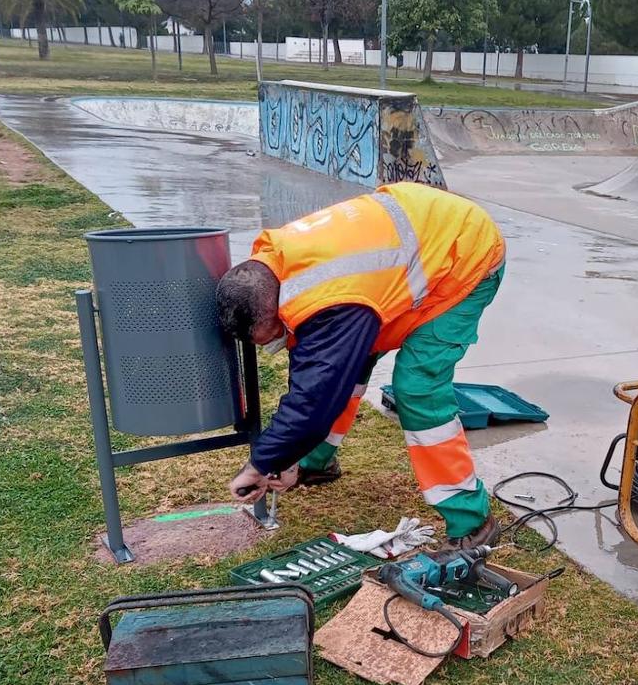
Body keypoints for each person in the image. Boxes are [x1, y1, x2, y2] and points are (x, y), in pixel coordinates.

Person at [215, 182, 506, 549]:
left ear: (271, 307)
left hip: (465, 256)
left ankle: (472, 521)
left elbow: (315, 397)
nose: (276, 342)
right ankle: (315, 463)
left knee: (418, 386)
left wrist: (261, 463)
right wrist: (288, 457)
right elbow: (314, 373)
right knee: (347, 364)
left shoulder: (332, 299)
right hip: (415, 245)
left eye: (272, 334)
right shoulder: (276, 264)